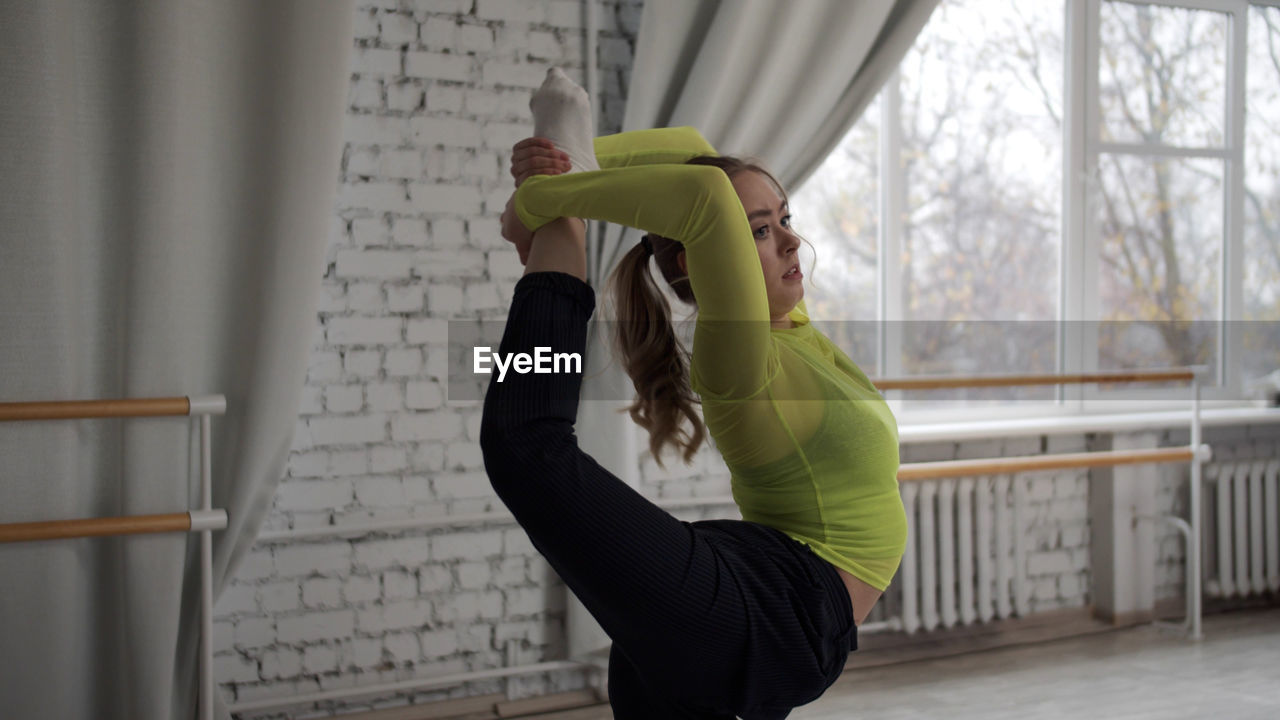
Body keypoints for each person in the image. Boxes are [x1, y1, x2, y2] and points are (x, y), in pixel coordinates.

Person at [479, 68, 906, 720]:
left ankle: (558, 211)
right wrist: (547, 199)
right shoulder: (739, 354)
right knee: (525, 443)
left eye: (784, 217)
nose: (791, 239)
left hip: (745, 583)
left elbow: (690, 148)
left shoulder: (789, 325)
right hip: (770, 612)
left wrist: (574, 159)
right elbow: (705, 193)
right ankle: (559, 231)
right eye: (760, 231)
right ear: (698, 259)